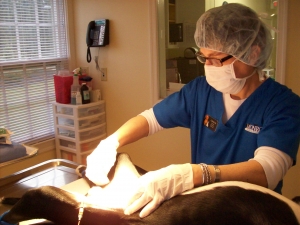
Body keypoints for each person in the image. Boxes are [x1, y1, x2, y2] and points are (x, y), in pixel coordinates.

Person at [86, 3, 300, 219]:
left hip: (252, 216)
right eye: (204, 58)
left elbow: (266, 171)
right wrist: (111, 143)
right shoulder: (200, 91)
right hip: (202, 211)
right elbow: (151, 119)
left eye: (217, 59)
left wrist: (195, 174)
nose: (208, 66)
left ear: (253, 54)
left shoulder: (282, 104)